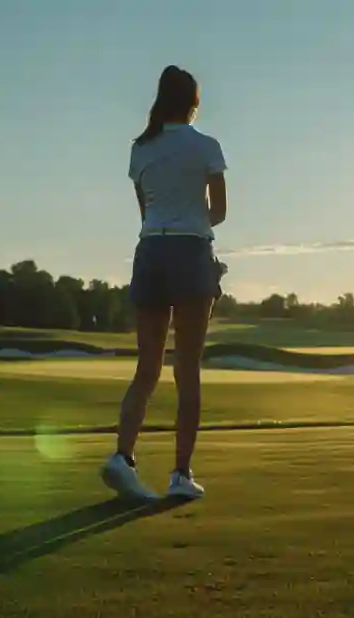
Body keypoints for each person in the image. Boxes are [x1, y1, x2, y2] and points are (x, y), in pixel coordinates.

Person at [100, 65, 228, 501]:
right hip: (190, 251)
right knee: (187, 368)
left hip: (150, 252)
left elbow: (147, 214)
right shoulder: (207, 146)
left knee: (147, 367)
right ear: (194, 101)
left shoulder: (140, 149)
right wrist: (197, 239)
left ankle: (122, 456)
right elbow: (220, 212)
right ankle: (181, 474)